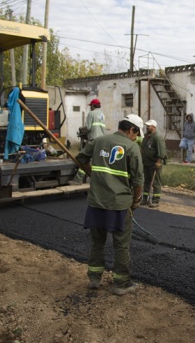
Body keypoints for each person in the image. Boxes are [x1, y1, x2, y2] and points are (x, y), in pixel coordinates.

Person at [76, 113, 144, 295]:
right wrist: (136, 201)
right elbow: (138, 181)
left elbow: (81, 158)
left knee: (97, 242)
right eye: (136, 134)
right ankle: (121, 284)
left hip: (96, 202)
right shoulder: (131, 147)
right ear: (132, 130)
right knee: (121, 244)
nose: (135, 138)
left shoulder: (99, 141)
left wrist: (93, 173)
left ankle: (94, 278)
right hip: (119, 204)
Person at [69, 98, 106, 185]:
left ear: (93, 105)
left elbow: (89, 128)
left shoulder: (91, 114)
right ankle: (95, 180)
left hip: (93, 140)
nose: (90, 107)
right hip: (102, 140)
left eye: (91, 106)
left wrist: (83, 129)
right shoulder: (102, 114)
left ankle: (78, 180)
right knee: (95, 161)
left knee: (82, 158)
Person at [140, 119, 167, 208]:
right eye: (147, 126)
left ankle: (155, 200)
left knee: (155, 182)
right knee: (147, 181)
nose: (147, 127)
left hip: (154, 163)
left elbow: (161, 150)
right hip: (146, 162)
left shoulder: (157, 137)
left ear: (153, 127)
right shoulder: (146, 136)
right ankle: (145, 199)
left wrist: (159, 161)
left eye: (149, 126)